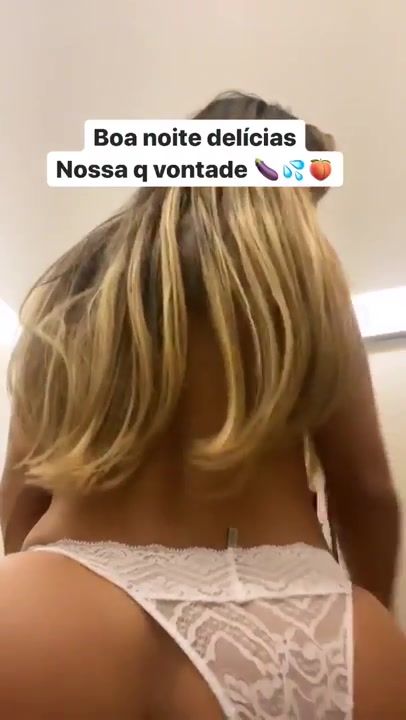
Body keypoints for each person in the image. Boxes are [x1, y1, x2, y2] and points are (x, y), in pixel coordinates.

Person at [0, 91, 405, 719]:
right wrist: (362, 620)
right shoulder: (307, 289)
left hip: (70, 593)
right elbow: (367, 492)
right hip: (304, 618)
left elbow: (23, 486)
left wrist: (35, 591)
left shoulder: (75, 286)